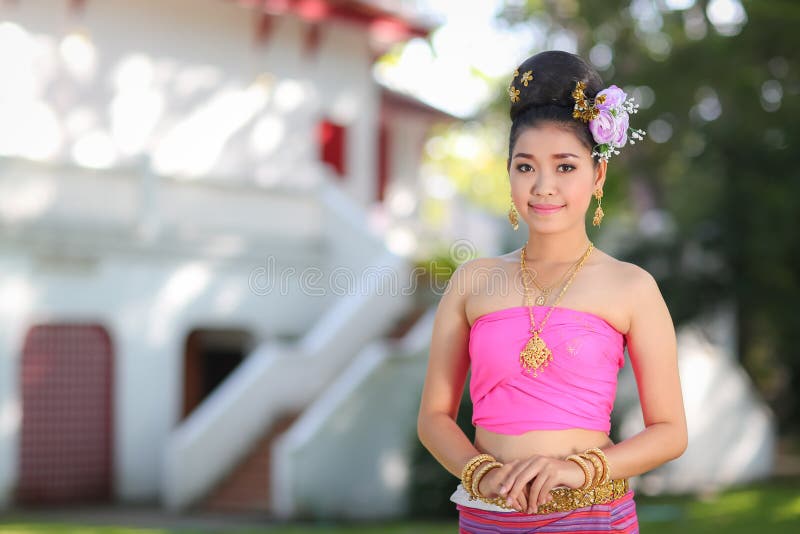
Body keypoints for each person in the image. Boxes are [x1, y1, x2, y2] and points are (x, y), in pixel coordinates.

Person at [416, 50, 688, 533]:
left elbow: (670, 432)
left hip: (592, 516)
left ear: (597, 174)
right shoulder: (473, 281)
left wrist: (576, 469)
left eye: (564, 167)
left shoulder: (632, 287)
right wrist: (481, 473)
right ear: (509, 174)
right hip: (489, 516)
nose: (543, 186)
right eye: (526, 167)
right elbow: (434, 416)